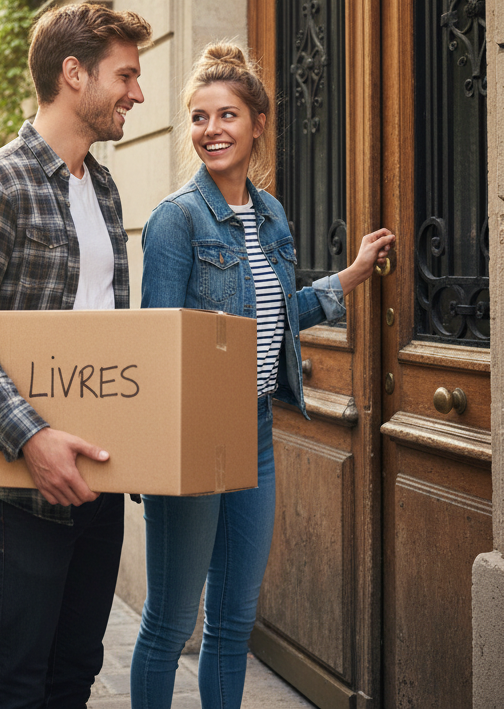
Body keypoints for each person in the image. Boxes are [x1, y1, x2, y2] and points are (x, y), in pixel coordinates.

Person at [129, 44, 394, 709]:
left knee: (234, 623)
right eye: (198, 117)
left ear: (258, 125)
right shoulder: (175, 220)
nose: (210, 130)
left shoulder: (270, 215)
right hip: (193, 437)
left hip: (255, 435)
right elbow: (161, 344)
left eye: (226, 115)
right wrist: (157, 456)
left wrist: (350, 277)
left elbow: (271, 317)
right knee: (168, 623)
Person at [0, 2, 152, 709]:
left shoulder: (105, 188)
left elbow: (105, 331)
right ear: (73, 72)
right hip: (16, 479)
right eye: (126, 75)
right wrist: (32, 437)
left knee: (75, 670)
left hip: (98, 472)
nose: (137, 93)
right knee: (12, 681)